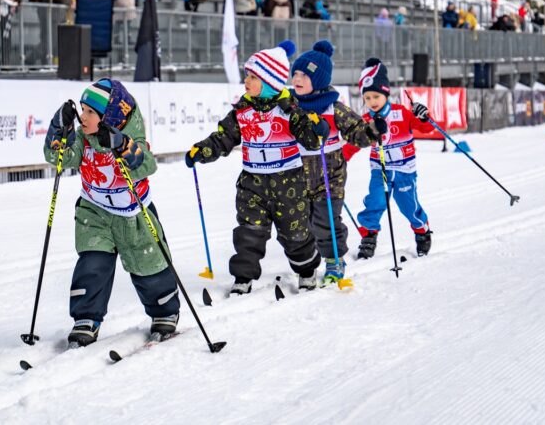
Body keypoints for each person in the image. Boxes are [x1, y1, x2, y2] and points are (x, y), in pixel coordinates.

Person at [42, 79, 181, 347]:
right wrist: (58, 131)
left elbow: (147, 164)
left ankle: (165, 310)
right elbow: (61, 158)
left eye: (90, 112)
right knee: (92, 263)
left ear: (109, 116)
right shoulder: (83, 138)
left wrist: (121, 145)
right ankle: (86, 318)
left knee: (147, 265)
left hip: (133, 213)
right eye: (82, 110)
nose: (83, 117)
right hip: (95, 212)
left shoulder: (129, 134)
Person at [185, 41, 328, 294]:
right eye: (247, 76)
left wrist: (317, 130)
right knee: (248, 232)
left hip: (288, 184)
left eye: (253, 76)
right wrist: (203, 150)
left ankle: (306, 270)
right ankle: (243, 276)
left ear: (271, 81)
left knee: (295, 231)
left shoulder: (289, 110)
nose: (246, 81)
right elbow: (224, 137)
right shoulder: (242, 111)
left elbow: (311, 139)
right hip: (253, 183)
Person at [289, 41, 380, 283]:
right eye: (295, 73)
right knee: (302, 224)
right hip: (296, 176)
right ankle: (310, 260)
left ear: (318, 80)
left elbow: (357, 133)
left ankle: (334, 260)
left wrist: (373, 131)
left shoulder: (333, 108)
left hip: (329, 177)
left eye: (304, 75)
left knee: (326, 221)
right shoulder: (289, 106)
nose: (297, 79)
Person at [342, 58, 435, 259]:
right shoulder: (367, 120)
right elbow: (355, 143)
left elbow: (427, 128)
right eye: (367, 98)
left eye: (376, 96)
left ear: (386, 93)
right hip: (380, 169)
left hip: (404, 170)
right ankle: (369, 235)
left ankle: (422, 230)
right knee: (375, 201)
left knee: (408, 205)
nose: (372, 102)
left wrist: (424, 116)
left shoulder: (401, 113)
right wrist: (340, 158)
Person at [35, 0, 75, 64]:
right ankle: (30, 59)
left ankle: (44, 62)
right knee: (49, 41)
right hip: (54, 16)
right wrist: (71, 2)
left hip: (47, 14)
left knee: (47, 40)